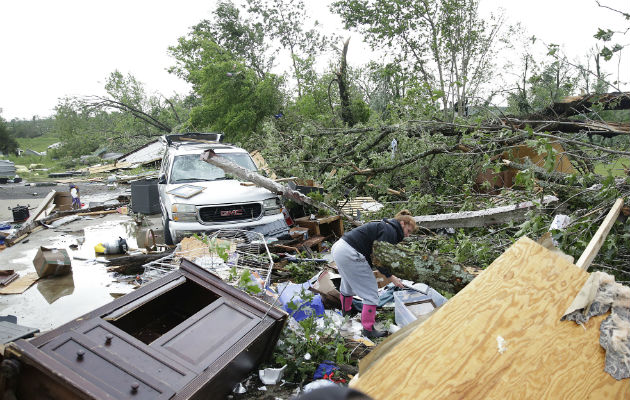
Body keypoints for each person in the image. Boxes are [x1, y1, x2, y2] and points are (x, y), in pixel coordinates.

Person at [331, 210, 417, 338]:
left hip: (339, 247)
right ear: (403, 223)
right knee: (371, 294)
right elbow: (380, 260)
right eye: (408, 231)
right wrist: (392, 278)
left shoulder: (386, 226)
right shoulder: (391, 232)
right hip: (350, 253)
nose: (408, 235)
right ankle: (368, 329)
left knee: (347, 284)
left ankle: (346, 317)